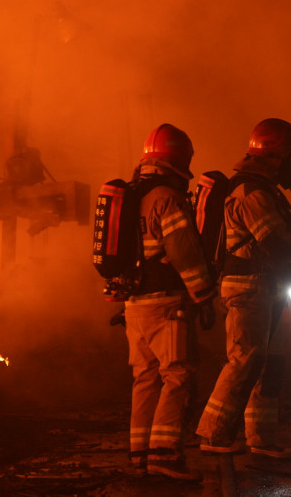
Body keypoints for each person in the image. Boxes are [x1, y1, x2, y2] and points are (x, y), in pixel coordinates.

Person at [195, 118, 291, 459]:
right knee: (245, 360)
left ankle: (260, 438)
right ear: (277, 155)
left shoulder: (266, 190)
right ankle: (213, 434)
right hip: (250, 289)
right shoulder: (253, 193)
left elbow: (288, 241)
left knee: (269, 365)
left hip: (268, 288)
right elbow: (279, 246)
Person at [122, 123, 217, 482]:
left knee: (144, 377)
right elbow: (185, 254)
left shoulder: (131, 194)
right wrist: (204, 296)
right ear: (180, 158)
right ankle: (165, 454)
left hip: (134, 305)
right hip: (166, 304)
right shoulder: (166, 197)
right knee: (177, 374)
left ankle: (140, 453)